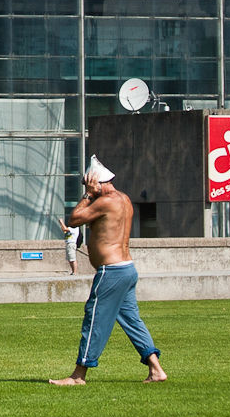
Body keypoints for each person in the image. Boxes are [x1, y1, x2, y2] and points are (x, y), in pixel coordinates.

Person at [50, 157, 166, 386]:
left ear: (96, 182)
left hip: (111, 272)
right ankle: (156, 370)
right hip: (126, 269)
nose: (86, 187)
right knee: (132, 320)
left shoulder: (104, 202)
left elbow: (73, 220)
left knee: (94, 318)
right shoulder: (124, 199)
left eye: (88, 183)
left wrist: (88, 195)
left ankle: (78, 375)